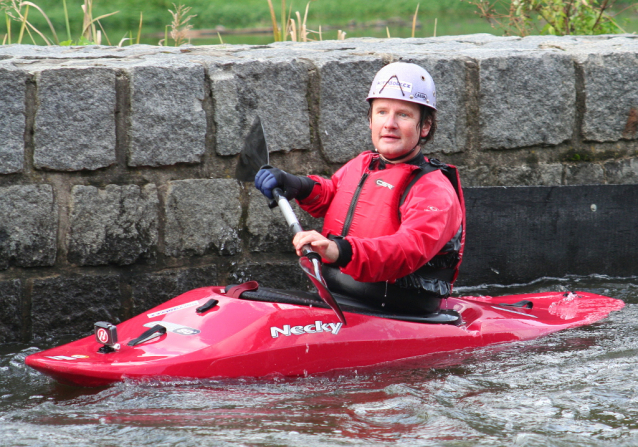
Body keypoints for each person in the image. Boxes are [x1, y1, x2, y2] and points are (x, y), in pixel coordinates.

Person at [255, 62, 465, 315]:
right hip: (341, 296)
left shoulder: (433, 189)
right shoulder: (365, 163)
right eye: (381, 112)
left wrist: (339, 250)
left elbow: (407, 249)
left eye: (404, 115)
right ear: (370, 120)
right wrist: (296, 184)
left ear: (426, 126)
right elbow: (333, 193)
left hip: (397, 309)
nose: (389, 123)